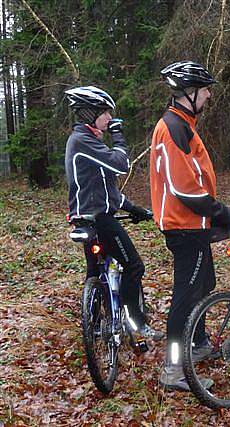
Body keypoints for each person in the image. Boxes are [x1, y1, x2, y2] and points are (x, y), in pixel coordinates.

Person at [150, 61, 230, 391]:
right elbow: (184, 188)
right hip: (185, 226)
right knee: (186, 297)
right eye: (204, 90)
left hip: (193, 225)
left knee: (205, 283)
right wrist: (220, 212)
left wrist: (214, 214)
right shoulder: (173, 127)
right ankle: (173, 367)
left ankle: (199, 342)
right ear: (189, 93)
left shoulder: (183, 124)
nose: (208, 95)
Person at [64, 85, 161, 340]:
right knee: (134, 266)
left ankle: (95, 324)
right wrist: (118, 137)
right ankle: (136, 323)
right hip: (99, 219)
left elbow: (107, 191)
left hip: (86, 217)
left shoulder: (86, 142)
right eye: (106, 113)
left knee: (95, 272)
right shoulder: (82, 140)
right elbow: (121, 164)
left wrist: (134, 209)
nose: (110, 118)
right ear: (90, 114)